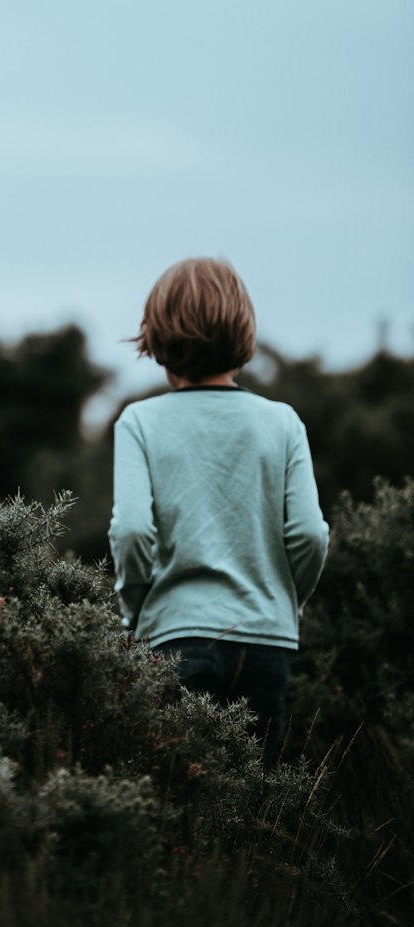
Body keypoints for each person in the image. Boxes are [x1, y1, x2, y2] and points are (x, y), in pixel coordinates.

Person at [108, 256, 329, 763]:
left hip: (173, 639)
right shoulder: (282, 422)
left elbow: (133, 533)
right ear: (241, 330)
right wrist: (285, 602)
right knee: (253, 805)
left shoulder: (139, 422)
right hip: (267, 640)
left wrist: (137, 614)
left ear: (158, 333)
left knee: (179, 806)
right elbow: (311, 536)